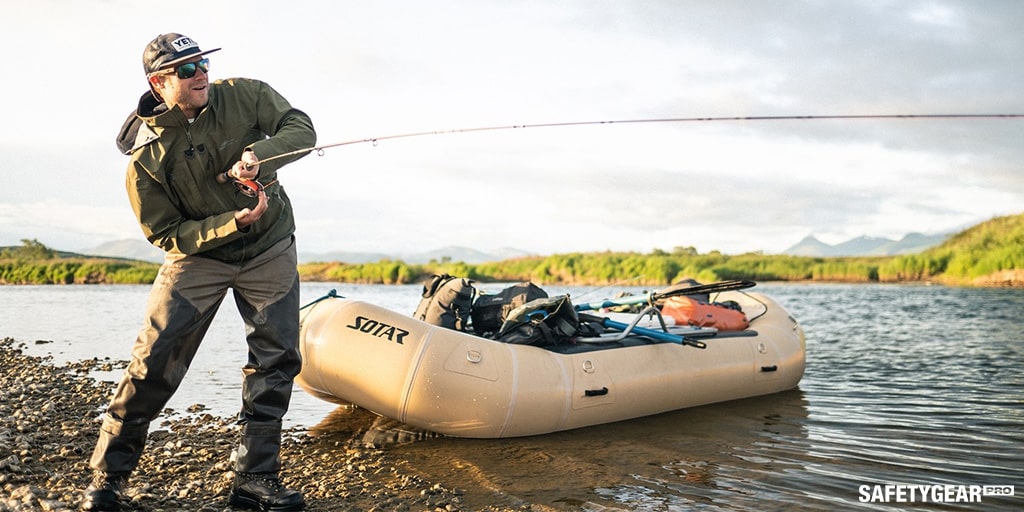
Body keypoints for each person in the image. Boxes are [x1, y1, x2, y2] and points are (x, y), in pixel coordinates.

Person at [82, 33, 316, 512]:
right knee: (153, 363)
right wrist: (232, 221)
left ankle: (254, 480)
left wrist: (262, 156)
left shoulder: (246, 93)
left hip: (270, 246)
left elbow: (301, 128)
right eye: (186, 70)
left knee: (276, 361)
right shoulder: (144, 156)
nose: (201, 74)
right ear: (159, 82)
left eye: (202, 62)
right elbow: (166, 232)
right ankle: (107, 480)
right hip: (197, 258)